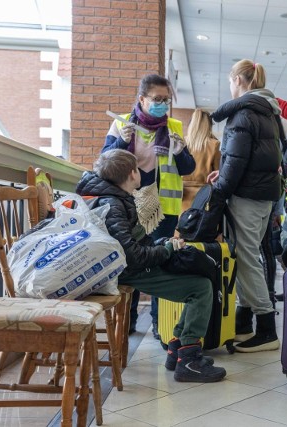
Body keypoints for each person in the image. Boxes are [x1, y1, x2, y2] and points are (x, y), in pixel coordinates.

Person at [76, 149, 226, 383]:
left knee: (198, 279)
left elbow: (131, 244)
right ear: (131, 173)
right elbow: (133, 257)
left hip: (119, 267)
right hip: (125, 271)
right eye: (138, 169)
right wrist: (166, 250)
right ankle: (188, 360)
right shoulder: (113, 204)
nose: (142, 173)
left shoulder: (107, 196)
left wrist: (161, 244)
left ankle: (178, 348)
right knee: (201, 287)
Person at [102, 74, 195, 339]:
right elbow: (105, 165)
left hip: (163, 208)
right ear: (142, 99)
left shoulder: (174, 127)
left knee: (160, 262)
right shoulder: (121, 123)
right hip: (127, 206)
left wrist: (179, 152)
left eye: (166, 100)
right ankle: (127, 321)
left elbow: (188, 168)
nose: (162, 105)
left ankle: (158, 323)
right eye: (157, 99)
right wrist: (121, 140)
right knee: (127, 262)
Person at [207, 59, 284, 353]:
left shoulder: (243, 114)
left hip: (247, 197)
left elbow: (238, 161)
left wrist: (220, 191)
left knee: (247, 258)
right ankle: (244, 322)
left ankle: (266, 327)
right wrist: (224, 170)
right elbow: (255, 159)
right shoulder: (268, 112)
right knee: (249, 256)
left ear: (239, 79)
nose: (230, 86)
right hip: (264, 195)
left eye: (230, 81)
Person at [180, 108, 221, 212]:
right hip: (204, 198)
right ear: (209, 126)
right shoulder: (214, 145)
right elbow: (218, 174)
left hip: (181, 195)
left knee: (181, 225)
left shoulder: (181, 143)